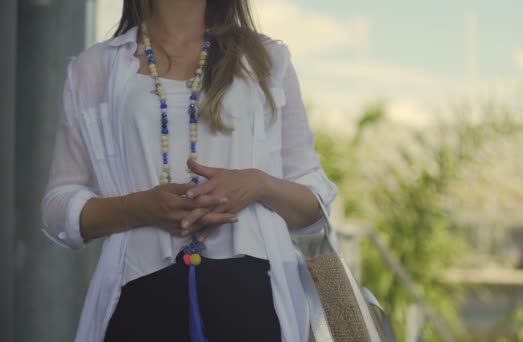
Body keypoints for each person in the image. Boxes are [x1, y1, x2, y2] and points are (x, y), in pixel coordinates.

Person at [41, 1, 338, 341]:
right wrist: (139, 207)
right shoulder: (93, 68)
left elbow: (313, 203)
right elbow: (57, 207)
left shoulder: (266, 59)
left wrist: (257, 185)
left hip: (253, 302)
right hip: (139, 298)